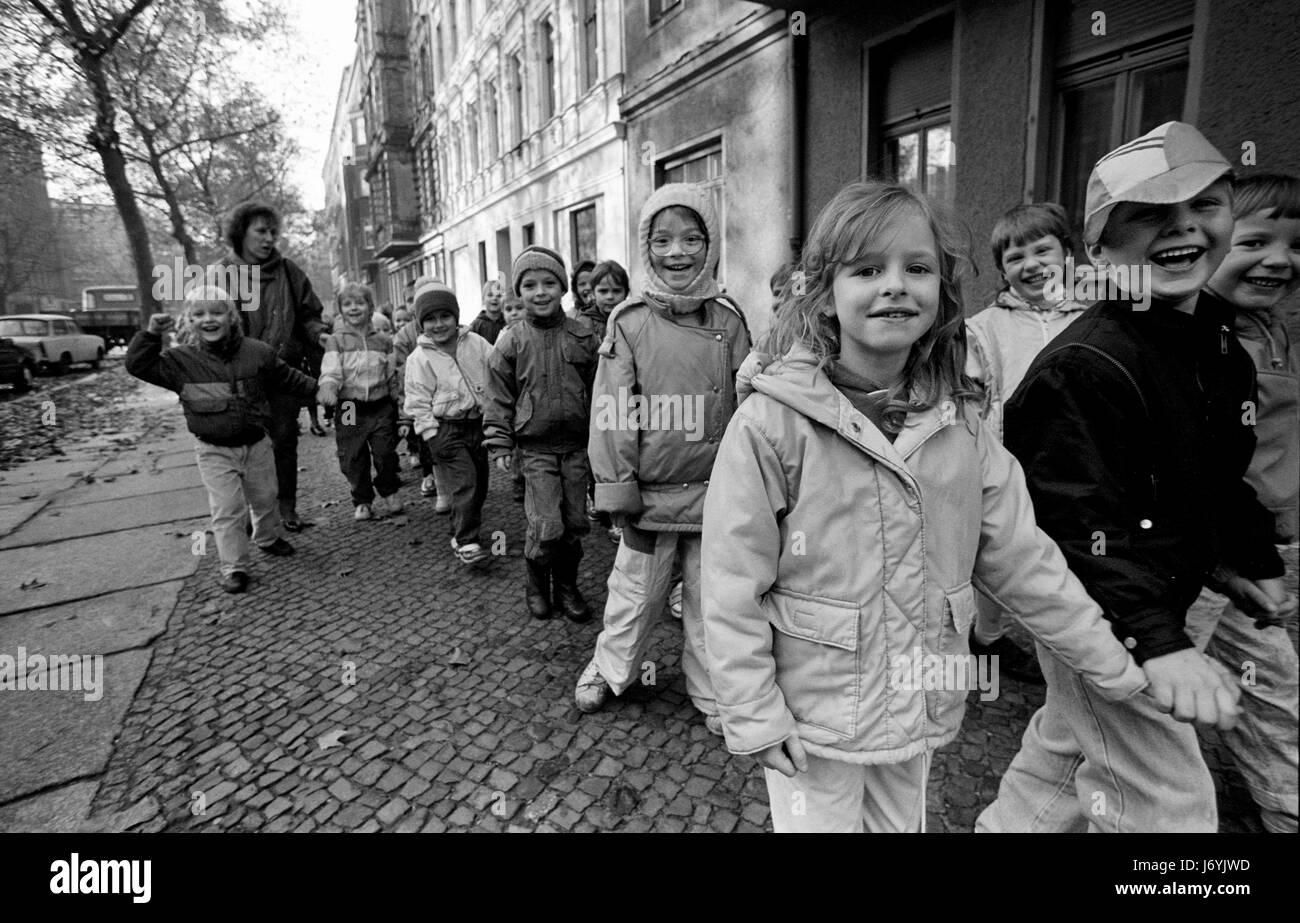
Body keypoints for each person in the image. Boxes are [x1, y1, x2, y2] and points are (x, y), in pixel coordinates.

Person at [700, 180, 1150, 833]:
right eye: (866, 270)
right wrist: (752, 710)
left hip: (915, 699)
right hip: (811, 710)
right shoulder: (771, 424)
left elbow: (1022, 556)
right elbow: (730, 581)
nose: (894, 285)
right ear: (824, 294)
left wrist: (1104, 653)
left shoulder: (960, 422)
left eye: (916, 268)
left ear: (942, 290)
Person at [977, 122, 1285, 833]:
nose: (1181, 229)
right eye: (1149, 214)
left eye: (1203, 206)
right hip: (1104, 621)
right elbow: (1075, 526)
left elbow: (1212, 474)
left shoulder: (1215, 341)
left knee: (1061, 756)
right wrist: (1158, 641)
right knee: (1169, 804)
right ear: (1100, 247)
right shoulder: (1081, 368)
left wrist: (1245, 550)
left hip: (1159, 603)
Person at [573, 182, 751, 733]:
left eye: (693, 239)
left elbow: (751, 404)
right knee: (635, 590)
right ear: (646, 245)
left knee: (709, 600)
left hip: (715, 491)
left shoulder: (729, 319)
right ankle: (610, 667)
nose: (678, 253)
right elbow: (612, 410)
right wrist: (616, 484)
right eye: (664, 240)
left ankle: (713, 690)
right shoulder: (628, 322)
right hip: (651, 491)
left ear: (710, 244)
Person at [1196, 172, 1300, 833]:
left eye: (1294, 244)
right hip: (1219, 562)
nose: (1280, 258)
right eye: (1256, 240)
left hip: (1266, 546)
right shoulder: (1202, 341)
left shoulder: (1272, 327)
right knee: (1271, 686)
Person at [963, 203, 1092, 685]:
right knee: (1001, 561)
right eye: (1017, 257)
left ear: (1069, 254)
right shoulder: (984, 329)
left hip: (1081, 469)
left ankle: (1067, 656)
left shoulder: (1099, 319)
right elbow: (970, 401)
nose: (1032, 264)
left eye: (1044, 250)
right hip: (1011, 469)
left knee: (1068, 566)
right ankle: (987, 639)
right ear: (1002, 269)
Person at [126, 286, 314, 593]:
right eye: (199, 314)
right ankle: (234, 566)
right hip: (213, 449)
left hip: (256, 443)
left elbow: (288, 378)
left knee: (267, 496)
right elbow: (138, 365)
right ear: (189, 320)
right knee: (228, 507)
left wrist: (324, 389)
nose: (208, 320)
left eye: (216, 312)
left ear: (231, 317)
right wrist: (149, 336)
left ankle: (267, 537)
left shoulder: (257, 352)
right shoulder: (180, 361)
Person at [485, 246, 600, 621]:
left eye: (549, 282)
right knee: (546, 524)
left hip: (576, 448)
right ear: (519, 292)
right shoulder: (511, 341)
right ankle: (536, 584)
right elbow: (499, 397)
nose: (540, 292)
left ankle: (567, 586)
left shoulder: (584, 337)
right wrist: (501, 441)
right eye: (530, 285)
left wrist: (607, 438)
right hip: (534, 450)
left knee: (575, 523)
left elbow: (601, 390)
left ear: (563, 287)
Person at [221, 202, 328, 533]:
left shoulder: (289, 272)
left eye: (272, 232)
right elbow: (207, 321)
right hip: (240, 378)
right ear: (241, 233)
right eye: (261, 231)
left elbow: (309, 315)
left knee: (284, 442)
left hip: (283, 372)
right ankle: (255, 514)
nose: (269, 239)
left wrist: (319, 334)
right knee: (246, 448)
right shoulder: (221, 275)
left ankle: (287, 508)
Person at [403, 281, 494, 565]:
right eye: (430, 319)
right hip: (445, 428)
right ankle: (467, 541)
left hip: (477, 425)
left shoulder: (475, 342)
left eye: (445, 316)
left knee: (479, 483)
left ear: (456, 316)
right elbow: (417, 399)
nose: (439, 324)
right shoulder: (420, 358)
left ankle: (459, 530)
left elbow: (498, 368)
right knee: (464, 481)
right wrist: (431, 433)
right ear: (420, 324)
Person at [317, 281, 404, 522]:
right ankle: (363, 499)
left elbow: (391, 374)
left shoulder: (383, 341)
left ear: (370, 307)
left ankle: (389, 489)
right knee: (352, 457)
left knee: (385, 453)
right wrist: (328, 388)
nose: (354, 308)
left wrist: (399, 399)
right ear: (340, 310)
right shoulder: (337, 340)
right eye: (347, 304)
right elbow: (331, 370)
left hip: (380, 405)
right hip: (349, 406)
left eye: (359, 303)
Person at [393, 277, 451, 512]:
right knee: (430, 442)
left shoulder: (449, 326)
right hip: (424, 398)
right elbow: (401, 374)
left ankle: (459, 487)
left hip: (450, 397)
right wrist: (406, 411)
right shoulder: (405, 337)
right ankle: (433, 478)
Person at [581, 260, 629, 341]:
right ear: (593, 293)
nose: (610, 297)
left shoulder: (633, 321)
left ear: (626, 293)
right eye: (603, 291)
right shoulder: (584, 323)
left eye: (616, 291)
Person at [470, 279, 507, 344]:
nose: (494, 298)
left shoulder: (507, 322)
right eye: (490, 295)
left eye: (498, 296)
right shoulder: (476, 325)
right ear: (483, 299)